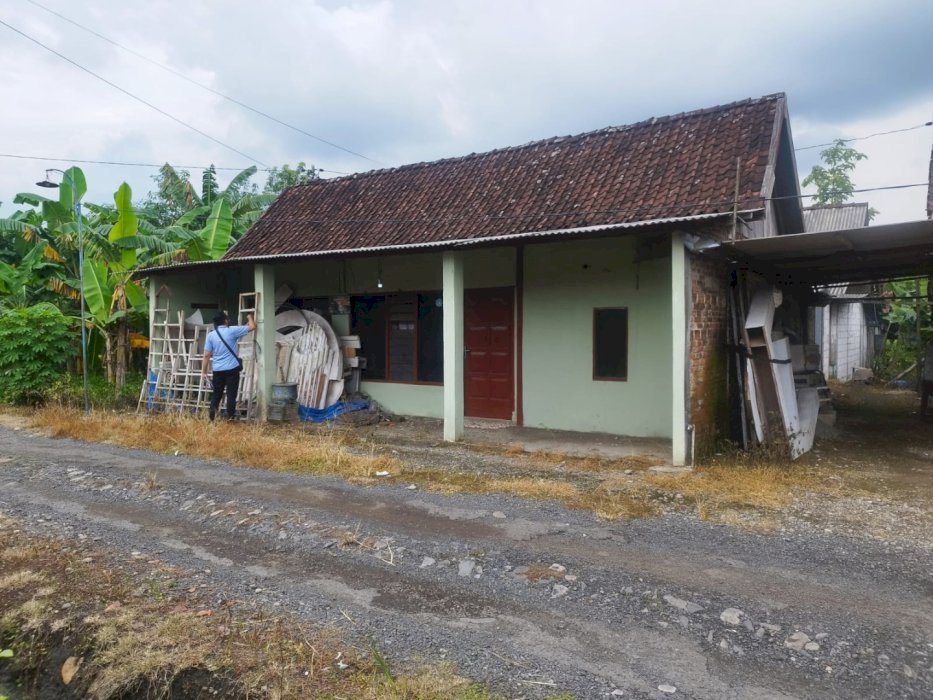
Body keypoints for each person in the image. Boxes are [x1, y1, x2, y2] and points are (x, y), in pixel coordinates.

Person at [202, 311, 256, 421]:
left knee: (217, 394)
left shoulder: (210, 336)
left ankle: (211, 418)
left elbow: (207, 355)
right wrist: (250, 317)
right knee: (231, 394)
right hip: (232, 369)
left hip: (217, 370)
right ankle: (230, 419)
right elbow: (252, 327)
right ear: (225, 321)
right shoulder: (232, 331)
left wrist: (204, 372)